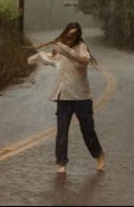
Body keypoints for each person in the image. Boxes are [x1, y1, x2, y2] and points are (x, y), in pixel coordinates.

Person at [28, 22, 105, 174]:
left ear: (78, 36)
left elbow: (83, 62)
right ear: (65, 34)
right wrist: (37, 57)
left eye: (74, 35)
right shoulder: (61, 48)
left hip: (82, 98)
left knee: (88, 131)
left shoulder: (81, 48)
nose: (71, 37)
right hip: (63, 97)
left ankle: (99, 154)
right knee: (62, 131)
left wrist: (66, 50)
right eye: (69, 34)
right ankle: (61, 162)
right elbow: (51, 59)